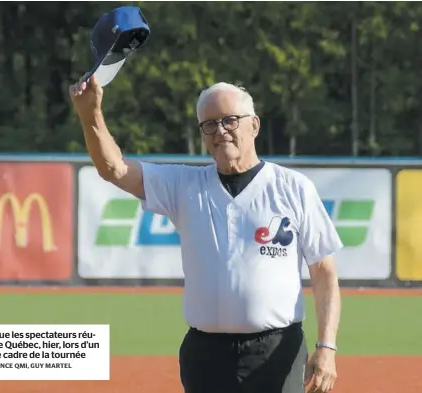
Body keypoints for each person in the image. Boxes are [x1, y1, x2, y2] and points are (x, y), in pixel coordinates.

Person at [69, 75, 342, 393]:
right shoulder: (184, 185)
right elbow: (113, 169)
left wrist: (327, 346)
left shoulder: (293, 188)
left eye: (229, 120)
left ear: (253, 125)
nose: (220, 131)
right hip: (206, 355)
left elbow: (324, 273)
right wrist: (90, 114)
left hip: (276, 353)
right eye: (209, 124)